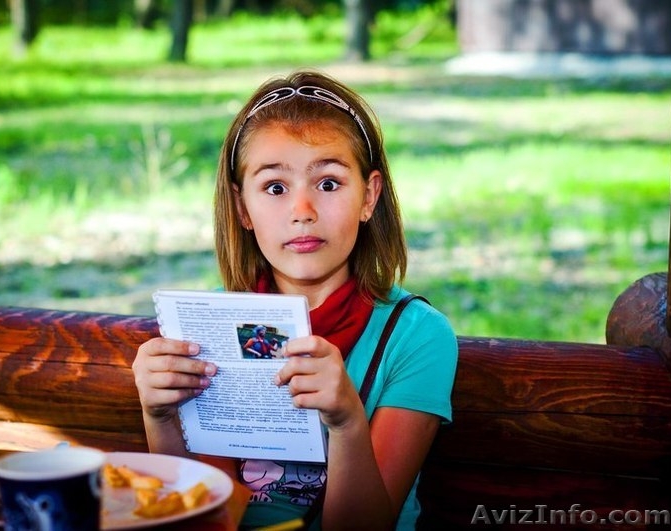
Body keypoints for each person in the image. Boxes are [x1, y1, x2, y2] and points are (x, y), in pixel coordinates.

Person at [132, 69, 458, 530]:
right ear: (242, 207)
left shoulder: (417, 337)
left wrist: (346, 423)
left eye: (328, 183)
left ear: (369, 196)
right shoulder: (210, 326)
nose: (302, 211)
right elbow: (205, 516)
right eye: (275, 188)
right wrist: (160, 415)